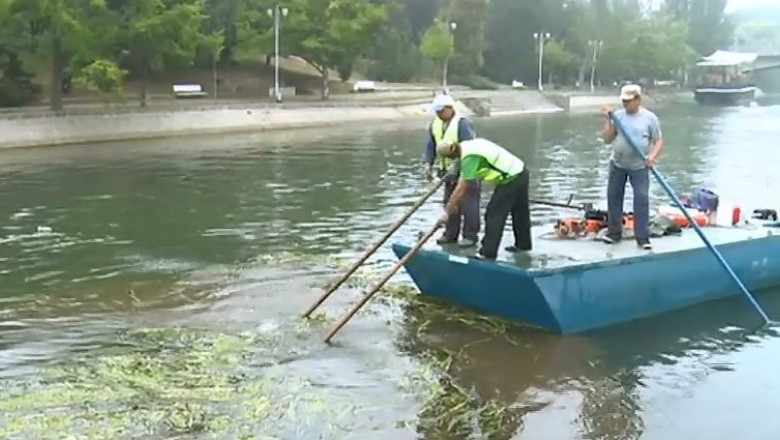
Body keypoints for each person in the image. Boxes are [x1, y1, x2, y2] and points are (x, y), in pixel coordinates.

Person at [435, 137, 530, 261]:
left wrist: (447, 211)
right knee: (520, 212)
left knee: (493, 215)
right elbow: (459, 163)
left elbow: (462, 187)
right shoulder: (466, 146)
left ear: (451, 155)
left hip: (510, 178)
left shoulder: (470, 159)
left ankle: (488, 253)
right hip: (521, 171)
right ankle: (523, 244)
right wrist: (449, 173)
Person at [600, 83, 664, 250]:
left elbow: (658, 141)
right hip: (618, 164)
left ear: (638, 100)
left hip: (640, 166)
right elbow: (607, 139)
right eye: (623, 101)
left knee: (641, 199)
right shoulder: (618, 116)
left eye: (628, 101)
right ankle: (614, 233)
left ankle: (642, 238)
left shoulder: (650, 118)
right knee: (614, 197)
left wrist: (652, 156)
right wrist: (608, 119)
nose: (625, 104)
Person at [425, 93, 481, 248]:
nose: (439, 114)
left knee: (469, 203)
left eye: (441, 111)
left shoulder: (462, 124)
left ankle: (470, 236)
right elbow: (431, 145)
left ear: (450, 108)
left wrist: (456, 166)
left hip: (467, 170)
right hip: (447, 172)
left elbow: (470, 149)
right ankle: (450, 234)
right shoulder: (435, 124)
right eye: (436, 111)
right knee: (450, 203)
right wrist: (428, 164)